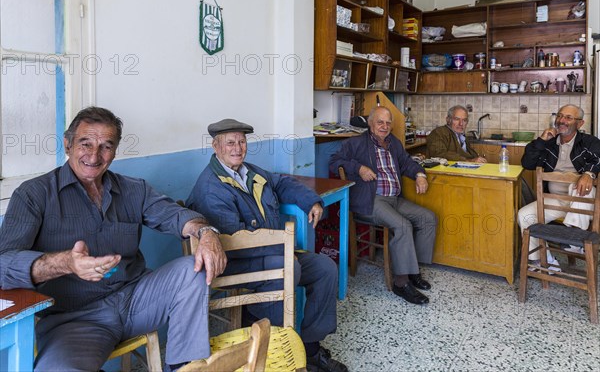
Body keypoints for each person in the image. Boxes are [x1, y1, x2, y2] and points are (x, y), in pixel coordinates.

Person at [0, 107, 227, 372]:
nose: (94, 156)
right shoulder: (34, 195)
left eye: (106, 146)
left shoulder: (133, 189)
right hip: (75, 321)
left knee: (193, 269)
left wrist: (206, 232)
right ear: (67, 144)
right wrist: (66, 263)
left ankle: (185, 367)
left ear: (115, 151)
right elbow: (4, 264)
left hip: (136, 301)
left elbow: (176, 216)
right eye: (85, 144)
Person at [186, 118, 348, 372]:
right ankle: (269, 346)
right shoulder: (211, 188)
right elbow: (235, 240)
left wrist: (311, 201)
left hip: (272, 251)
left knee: (325, 267)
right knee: (289, 267)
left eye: (241, 141)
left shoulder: (249, 171)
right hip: (234, 260)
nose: (237, 148)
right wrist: (282, 249)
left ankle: (310, 346)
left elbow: (281, 182)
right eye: (230, 142)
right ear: (216, 147)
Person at [330, 106, 437, 305]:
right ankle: (401, 282)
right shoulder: (356, 143)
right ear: (371, 124)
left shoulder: (393, 143)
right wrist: (359, 167)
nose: (384, 126)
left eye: (388, 123)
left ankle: (413, 271)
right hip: (371, 200)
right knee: (403, 226)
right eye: (380, 122)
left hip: (394, 199)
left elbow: (407, 163)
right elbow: (334, 162)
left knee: (427, 218)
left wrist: (420, 175)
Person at [518, 104, 600, 269]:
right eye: (560, 116)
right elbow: (527, 163)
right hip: (554, 201)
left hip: (583, 203)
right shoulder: (548, 144)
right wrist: (541, 141)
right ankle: (542, 261)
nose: (562, 120)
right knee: (524, 215)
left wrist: (589, 174)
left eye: (568, 117)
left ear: (580, 123)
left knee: (577, 187)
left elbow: (598, 158)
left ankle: (575, 239)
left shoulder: (589, 142)